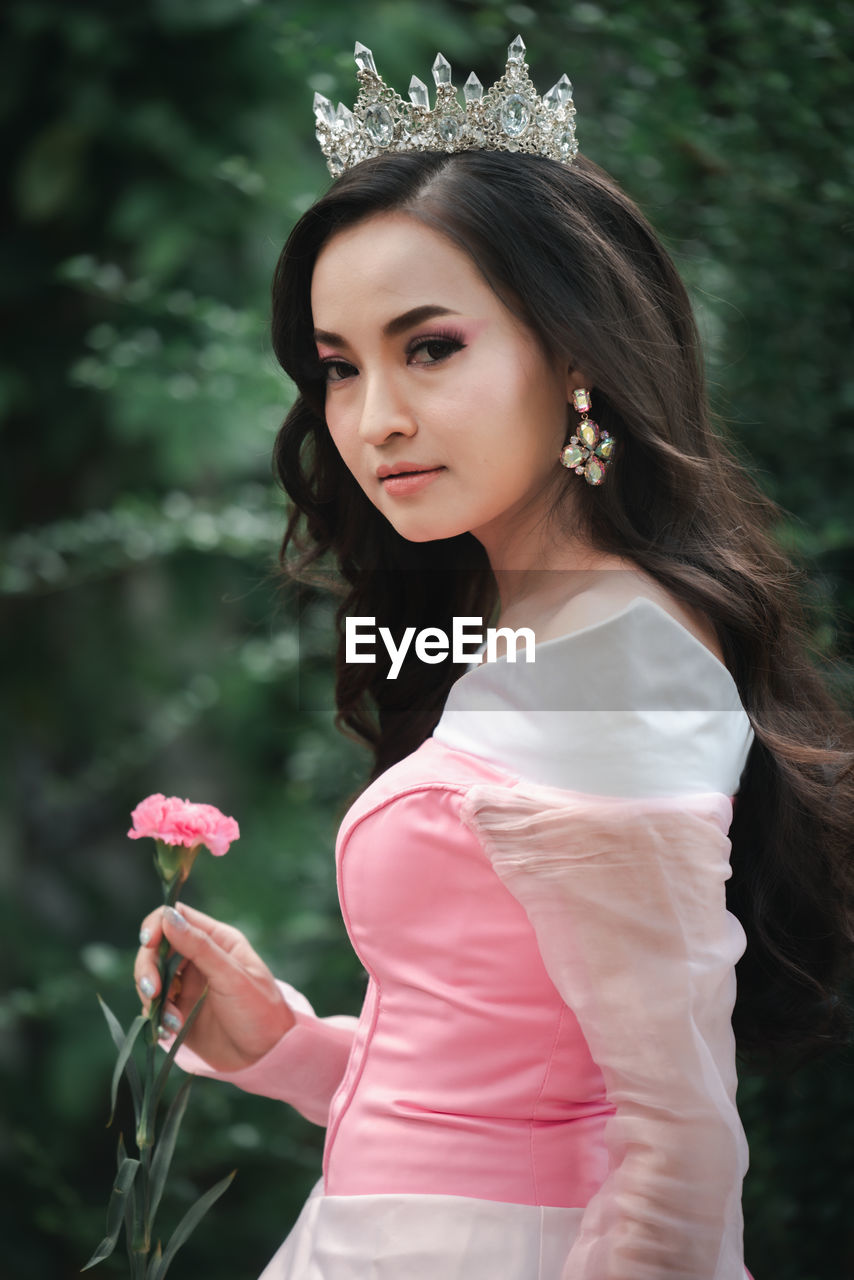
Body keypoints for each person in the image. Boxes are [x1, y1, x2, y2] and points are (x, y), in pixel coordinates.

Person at [133, 36, 854, 1279]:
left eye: (431, 347)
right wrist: (287, 1045)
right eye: (338, 366)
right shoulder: (547, 624)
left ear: (574, 355)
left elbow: (677, 1152)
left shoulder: (613, 663)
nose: (373, 420)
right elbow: (505, 1092)